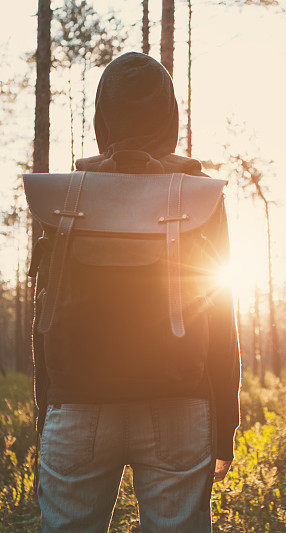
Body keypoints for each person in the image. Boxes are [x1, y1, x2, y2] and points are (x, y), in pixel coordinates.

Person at [33, 52, 241, 533]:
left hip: (77, 409)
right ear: (169, 114)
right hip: (180, 408)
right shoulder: (199, 194)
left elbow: (45, 318)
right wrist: (224, 428)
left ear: (101, 117)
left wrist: (46, 416)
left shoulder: (64, 197)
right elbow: (222, 316)